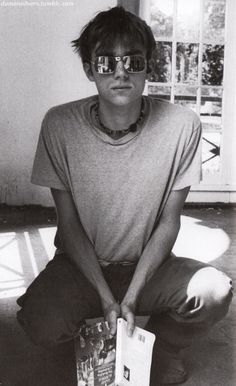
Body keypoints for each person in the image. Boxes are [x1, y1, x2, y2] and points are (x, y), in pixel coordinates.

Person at [17, 6, 233, 385]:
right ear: (89, 69)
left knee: (214, 292)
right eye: (105, 61)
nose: (120, 71)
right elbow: (68, 225)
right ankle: (92, 343)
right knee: (40, 319)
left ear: (148, 67)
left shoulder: (183, 126)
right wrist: (104, 297)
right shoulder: (59, 124)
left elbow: (169, 221)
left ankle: (162, 348)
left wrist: (131, 297)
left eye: (133, 60)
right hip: (81, 266)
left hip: (150, 266)